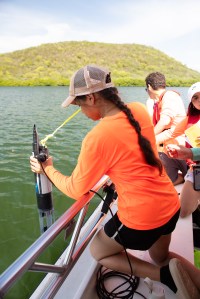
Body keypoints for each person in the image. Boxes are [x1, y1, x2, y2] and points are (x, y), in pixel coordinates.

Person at [30, 65, 200, 298]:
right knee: (160, 257)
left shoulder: (97, 138)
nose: (80, 111)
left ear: (91, 97)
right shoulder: (138, 109)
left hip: (143, 217)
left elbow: (75, 189)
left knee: (99, 251)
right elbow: (137, 152)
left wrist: (47, 168)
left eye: (79, 104)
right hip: (170, 203)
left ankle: (164, 277)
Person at [145, 72, 188, 186]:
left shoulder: (169, 96)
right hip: (171, 142)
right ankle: (172, 177)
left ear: (149, 86)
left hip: (178, 142)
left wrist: (148, 138)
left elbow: (165, 121)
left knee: (148, 144)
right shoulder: (162, 99)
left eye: (146, 89)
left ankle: (175, 178)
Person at [166, 82, 200, 219]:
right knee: (183, 212)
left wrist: (191, 153)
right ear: (191, 102)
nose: (199, 100)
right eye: (195, 97)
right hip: (197, 170)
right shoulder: (188, 120)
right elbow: (171, 134)